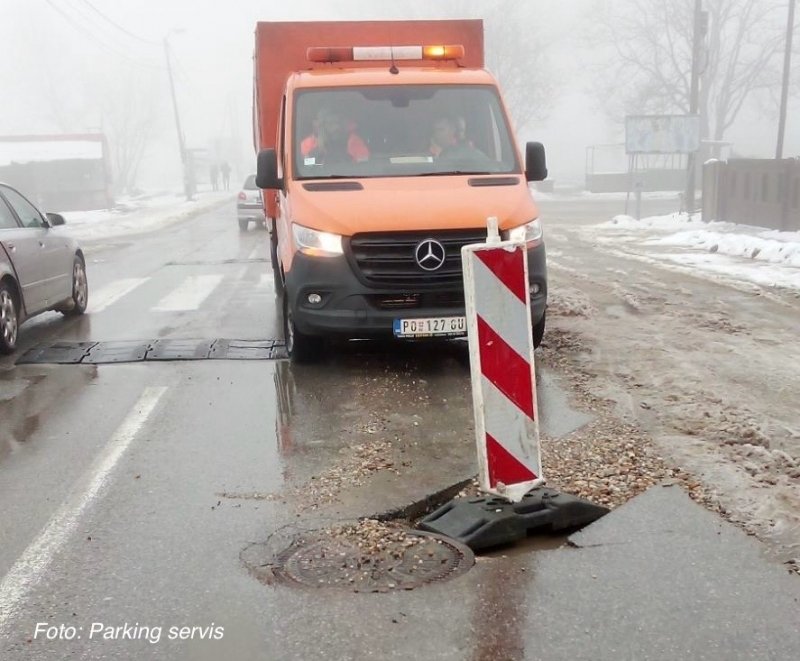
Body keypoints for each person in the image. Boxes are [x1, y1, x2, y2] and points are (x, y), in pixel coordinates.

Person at [301, 108, 369, 163]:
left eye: (338, 123)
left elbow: (364, 161)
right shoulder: (307, 143)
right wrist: (319, 149)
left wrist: (347, 158)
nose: (337, 127)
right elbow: (306, 164)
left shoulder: (353, 140)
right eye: (331, 123)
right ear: (322, 127)